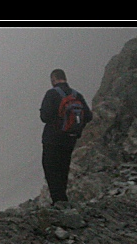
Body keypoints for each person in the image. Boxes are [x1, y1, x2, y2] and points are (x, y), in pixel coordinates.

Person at [39, 68, 93, 208]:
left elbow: (44, 117)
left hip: (52, 138)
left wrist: (57, 121)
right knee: (63, 168)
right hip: (70, 139)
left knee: (50, 168)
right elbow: (88, 116)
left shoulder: (51, 94)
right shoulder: (77, 95)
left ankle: (58, 201)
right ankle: (62, 200)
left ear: (53, 79)